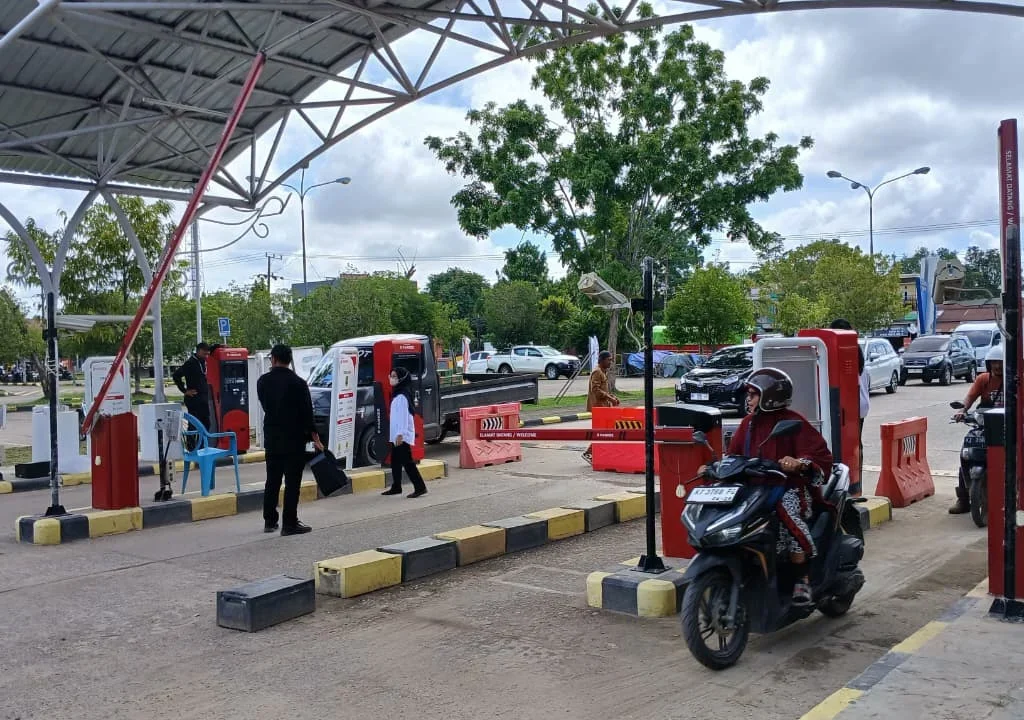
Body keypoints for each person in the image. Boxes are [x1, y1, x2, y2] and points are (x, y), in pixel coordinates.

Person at [719, 368, 834, 606]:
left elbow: (819, 454)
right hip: (755, 490)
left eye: (753, 394)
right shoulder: (748, 424)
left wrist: (799, 463)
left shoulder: (792, 421)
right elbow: (733, 455)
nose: (748, 400)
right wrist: (716, 467)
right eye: (748, 395)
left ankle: (802, 577)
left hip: (788, 488)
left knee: (787, 517)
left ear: (769, 397)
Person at [257, 344, 323, 535]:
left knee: (272, 479)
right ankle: (289, 523)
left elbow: (266, 405)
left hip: (272, 436)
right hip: (294, 439)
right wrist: (315, 437)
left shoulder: (263, 382)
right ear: (289, 360)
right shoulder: (299, 383)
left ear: (274, 359)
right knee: (292, 482)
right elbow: (306, 414)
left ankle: (269, 520)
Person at [950, 344, 1004, 514]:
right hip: (985, 425)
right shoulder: (983, 380)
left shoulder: (1014, 379)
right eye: (994, 362)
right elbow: (970, 398)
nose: (997, 365)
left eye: (1000, 362)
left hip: (1007, 427)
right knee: (966, 453)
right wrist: (962, 411)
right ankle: (964, 499)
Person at [830, 319, 868, 492]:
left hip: (850, 407)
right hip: (858, 407)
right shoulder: (856, 352)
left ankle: (853, 484)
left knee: (850, 446)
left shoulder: (848, 353)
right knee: (856, 444)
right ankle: (856, 484)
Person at [381, 367, 427, 498]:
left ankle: (420, 487)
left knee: (407, 462)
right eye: (391, 375)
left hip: (401, 435)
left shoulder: (401, 396)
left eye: (394, 376)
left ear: (401, 379)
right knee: (395, 460)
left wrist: (400, 434)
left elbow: (402, 416)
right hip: (397, 434)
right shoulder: (399, 393)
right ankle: (396, 486)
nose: (391, 378)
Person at [583, 350, 620, 464]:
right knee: (603, 432)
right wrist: (610, 398)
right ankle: (589, 453)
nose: (610, 362)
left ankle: (600, 453)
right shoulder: (597, 372)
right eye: (609, 360)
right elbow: (596, 390)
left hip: (604, 407)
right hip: (598, 408)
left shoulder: (603, 372)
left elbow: (603, 390)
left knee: (607, 431)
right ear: (602, 360)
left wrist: (612, 397)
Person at [172, 342, 212, 438]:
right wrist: (185, 390)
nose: (205, 356)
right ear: (198, 351)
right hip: (194, 398)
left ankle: (203, 446)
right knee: (194, 425)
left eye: (207, 354)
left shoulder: (204, 362)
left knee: (206, 423)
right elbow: (176, 375)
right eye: (204, 353)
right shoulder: (190, 363)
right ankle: (192, 447)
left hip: (203, 398)